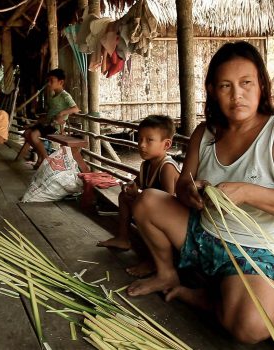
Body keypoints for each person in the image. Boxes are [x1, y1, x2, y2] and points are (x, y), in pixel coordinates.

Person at [126, 41, 274, 344]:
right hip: (201, 235)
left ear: (261, 83)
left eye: (246, 83)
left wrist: (247, 192)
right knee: (146, 201)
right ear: (212, 90)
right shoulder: (205, 133)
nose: (237, 95)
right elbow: (183, 184)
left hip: (254, 252)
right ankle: (167, 272)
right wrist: (190, 192)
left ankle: (202, 298)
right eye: (225, 85)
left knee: (252, 327)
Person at [97, 115, 180, 277]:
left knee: (140, 207)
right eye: (139, 139)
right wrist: (130, 189)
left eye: (149, 140)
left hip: (171, 221)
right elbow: (138, 185)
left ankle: (154, 261)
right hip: (155, 212)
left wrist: (139, 195)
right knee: (124, 197)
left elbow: (169, 205)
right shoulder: (146, 164)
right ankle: (123, 238)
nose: (141, 145)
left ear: (166, 144)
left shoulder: (167, 168)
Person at [23, 68, 80, 169]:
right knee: (26, 133)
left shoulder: (65, 95)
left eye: (51, 81)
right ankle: (41, 156)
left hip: (55, 126)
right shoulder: (52, 97)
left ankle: (46, 160)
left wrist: (62, 113)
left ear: (60, 82)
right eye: (48, 81)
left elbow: (75, 109)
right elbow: (48, 114)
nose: (49, 83)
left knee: (33, 135)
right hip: (47, 124)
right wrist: (35, 123)